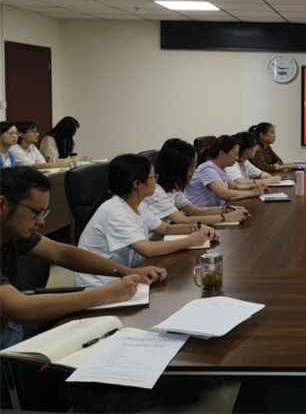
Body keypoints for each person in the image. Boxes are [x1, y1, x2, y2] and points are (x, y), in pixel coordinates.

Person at [0, 167, 167, 349]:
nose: (41, 221)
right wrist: (107, 294)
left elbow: (62, 254)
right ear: (2, 205)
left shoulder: (12, 231)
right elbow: (20, 309)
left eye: (44, 214)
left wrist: (130, 272)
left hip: (12, 323)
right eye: (35, 213)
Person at [76, 154, 218, 288]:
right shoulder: (115, 212)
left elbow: (165, 229)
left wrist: (197, 228)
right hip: (99, 285)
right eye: (153, 177)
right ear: (137, 184)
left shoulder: (136, 204)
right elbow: (147, 249)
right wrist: (189, 241)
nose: (156, 180)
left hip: (126, 276)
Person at [144, 138, 248, 225]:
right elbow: (183, 220)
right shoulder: (156, 192)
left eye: (195, 164)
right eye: (191, 165)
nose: (194, 170)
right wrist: (226, 217)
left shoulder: (173, 187)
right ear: (177, 166)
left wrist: (227, 209)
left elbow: (194, 211)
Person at [185, 136, 267, 208]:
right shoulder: (208, 169)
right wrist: (252, 193)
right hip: (198, 215)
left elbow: (234, 186)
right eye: (235, 154)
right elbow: (224, 193)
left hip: (211, 211)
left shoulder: (221, 168)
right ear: (221, 153)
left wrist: (253, 186)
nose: (237, 158)